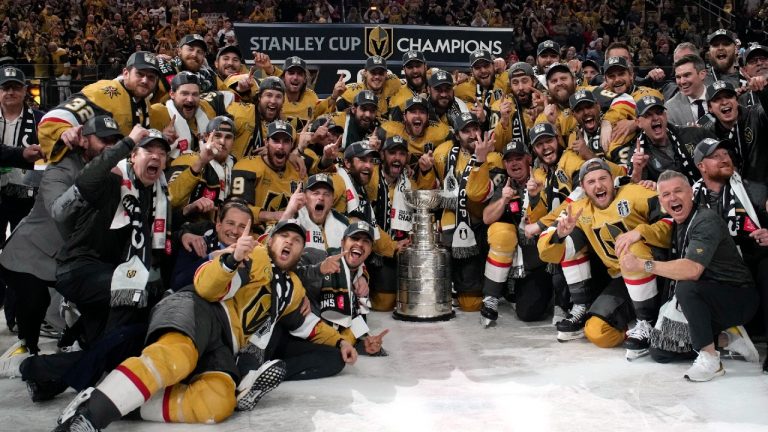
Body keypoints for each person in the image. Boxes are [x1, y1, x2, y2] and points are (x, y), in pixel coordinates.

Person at [52, 219, 357, 430]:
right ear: (270, 239)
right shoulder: (255, 254)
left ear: (302, 252)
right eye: (284, 237)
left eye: (297, 240)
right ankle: (91, 418)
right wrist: (231, 260)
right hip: (199, 310)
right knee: (175, 358)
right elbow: (206, 286)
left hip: (226, 343)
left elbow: (309, 325)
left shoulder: (294, 289)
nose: (290, 242)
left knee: (218, 403)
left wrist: (343, 341)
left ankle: (111, 401)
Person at [0, 115, 122, 378]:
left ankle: (72, 343)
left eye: (116, 141)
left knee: (94, 299)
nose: (110, 146)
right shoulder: (61, 168)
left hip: (71, 257)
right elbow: (60, 213)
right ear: (85, 140)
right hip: (29, 252)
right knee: (35, 299)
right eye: (104, 140)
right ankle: (26, 348)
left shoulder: (116, 172)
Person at [620, 170, 758, 381]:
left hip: (737, 298)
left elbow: (692, 270)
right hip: (703, 301)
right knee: (660, 350)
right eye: (666, 195)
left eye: (678, 191)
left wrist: (641, 264)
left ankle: (710, 358)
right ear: (661, 201)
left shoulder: (705, 220)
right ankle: (728, 338)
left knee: (686, 286)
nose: (672, 198)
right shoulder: (676, 222)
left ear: (691, 193)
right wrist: (637, 232)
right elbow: (657, 230)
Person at [538, 158, 673, 359]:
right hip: (622, 278)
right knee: (597, 332)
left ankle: (647, 320)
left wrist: (640, 231)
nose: (599, 185)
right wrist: (560, 235)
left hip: (660, 273)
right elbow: (546, 251)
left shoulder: (636, 193)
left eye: (603, 178)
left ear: (612, 180)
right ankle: (595, 311)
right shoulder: (578, 210)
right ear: (583, 187)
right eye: (591, 182)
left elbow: (673, 220)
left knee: (630, 247)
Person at [417, 112, 500, 311]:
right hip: (447, 225)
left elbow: (478, 195)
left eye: (475, 128)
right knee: (435, 299)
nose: (472, 135)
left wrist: (480, 160)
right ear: (456, 134)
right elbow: (430, 190)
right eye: (466, 131)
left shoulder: (494, 157)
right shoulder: (442, 153)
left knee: (470, 304)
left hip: (476, 227)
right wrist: (426, 171)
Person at [38, 51, 161, 165]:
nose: (145, 80)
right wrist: (63, 130)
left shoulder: (143, 101)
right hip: (84, 172)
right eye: (140, 74)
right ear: (126, 73)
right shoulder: (105, 92)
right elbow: (55, 118)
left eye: (151, 77)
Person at [480, 140, 552, 326]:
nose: (514, 164)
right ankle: (491, 299)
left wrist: (535, 196)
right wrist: (503, 200)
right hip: (514, 260)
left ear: (528, 159)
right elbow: (487, 217)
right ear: (504, 164)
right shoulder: (506, 185)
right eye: (509, 160)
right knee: (500, 231)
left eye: (518, 158)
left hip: (539, 261)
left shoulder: (541, 179)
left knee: (528, 313)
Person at [231, 120, 304, 231]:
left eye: (286, 141)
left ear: (291, 145)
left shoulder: (298, 170)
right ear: (266, 142)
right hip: (253, 236)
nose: (280, 146)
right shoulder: (247, 166)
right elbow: (236, 210)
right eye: (275, 140)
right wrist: (273, 216)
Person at [166, 116, 237, 225]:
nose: (222, 142)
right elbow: (170, 199)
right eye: (217, 136)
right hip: (183, 227)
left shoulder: (236, 165)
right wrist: (201, 162)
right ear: (206, 137)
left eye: (228, 137)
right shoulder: (187, 159)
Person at [627, 95, 713, 184]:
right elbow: (634, 189)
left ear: (665, 115)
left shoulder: (694, 134)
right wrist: (637, 171)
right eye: (648, 115)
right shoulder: (637, 154)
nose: (655, 118)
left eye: (659, 112)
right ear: (638, 122)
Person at [702, 79, 768, 184]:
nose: (724, 102)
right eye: (717, 99)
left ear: (737, 100)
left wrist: (763, 92)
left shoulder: (755, 115)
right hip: (738, 192)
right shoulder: (711, 135)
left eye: (728, 96)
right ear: (710, 108)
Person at [455, 50, 509, 133]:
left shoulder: (505, 81)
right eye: (477, 67)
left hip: (504, 134)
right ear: (471, 71)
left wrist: (501, 63)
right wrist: (453, 83)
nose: (483, 70)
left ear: (493, 66)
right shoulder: (461, 89)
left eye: (486, 65)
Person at [336, 55, 402, 118]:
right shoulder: (351, 91)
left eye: (381, 73)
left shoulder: (394, 82)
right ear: (365, 73)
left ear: (386, 74)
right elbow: (337, 113)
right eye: (373, 72)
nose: (377, 77)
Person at [665, 55, 709, 126]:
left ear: (702, 74)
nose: (682, 82)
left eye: (687, 75)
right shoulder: (670, 107)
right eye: (678, 77)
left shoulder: (719, 96)